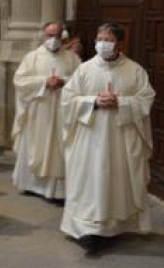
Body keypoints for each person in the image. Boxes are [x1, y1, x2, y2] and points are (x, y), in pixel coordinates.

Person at [61, 22, 155, 252]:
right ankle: (86, 230)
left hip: (120, 140)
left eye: (109, 39)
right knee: (89, 181)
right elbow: (67, 100)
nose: (102, 44)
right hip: (89, 139)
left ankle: (116, 225)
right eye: (100, 38)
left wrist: (121, 102)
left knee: (116, 179)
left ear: (120, 43)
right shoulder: (84, 69)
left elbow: (145, 100)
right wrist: (92, 101)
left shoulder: (135, 70)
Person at [12, 22, 80, 201]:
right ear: (44, 36)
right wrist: (44, 82)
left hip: (62, 111)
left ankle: (56, 190)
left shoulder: (72, 58)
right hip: (39, 110)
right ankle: (30, 185)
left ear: (63, 36)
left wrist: (64, 82)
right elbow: (20, 81)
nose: (53, 40)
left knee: (59, 146)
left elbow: (81, 81)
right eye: (50, 36)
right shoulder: (32, 57)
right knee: (35, 144)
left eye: (57, 36)